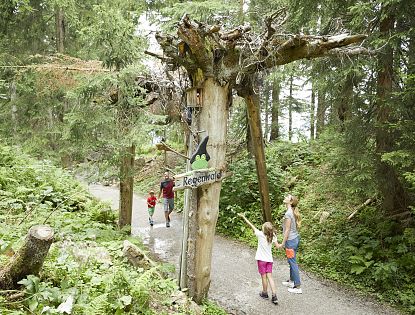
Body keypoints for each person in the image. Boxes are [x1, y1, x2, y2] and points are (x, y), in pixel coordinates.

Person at [237, 213, 279, 305]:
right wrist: (283, 244)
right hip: (269, 260)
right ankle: (274, 295)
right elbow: (278, 246)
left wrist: (244, 217)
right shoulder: (273, 236)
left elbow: (251, 225)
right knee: (270, 277)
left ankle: (264, 293)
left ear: (264, 229)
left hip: (261, 260)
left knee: (264, 277)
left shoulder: (260, 234)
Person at [276, 194, 302, 294]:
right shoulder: (291, 212)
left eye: (288, 197)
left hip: (290, 241)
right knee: (292, 261)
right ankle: (291, 281)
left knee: (292, 262)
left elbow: (287, 230)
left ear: (290, 202)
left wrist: (282, 243)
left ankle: (298, 286)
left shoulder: (288, 214)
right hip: (295, 239)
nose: (285, 197)